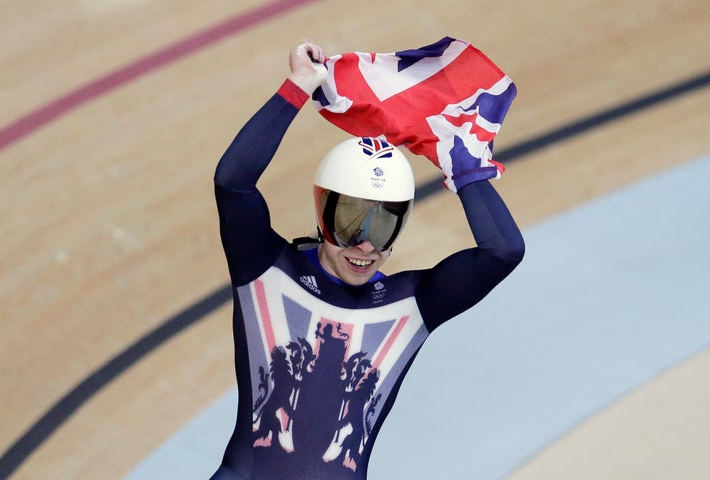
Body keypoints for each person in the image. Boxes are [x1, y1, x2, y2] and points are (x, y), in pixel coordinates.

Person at [210, 42, 525, 480]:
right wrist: (299, 85)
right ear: (323, 214)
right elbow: (233, 182)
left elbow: (503, 252)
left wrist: (465, 167)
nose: (365, 247)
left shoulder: (413, 302)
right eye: (351, 225)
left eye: (384, 228)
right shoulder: (264, 268)